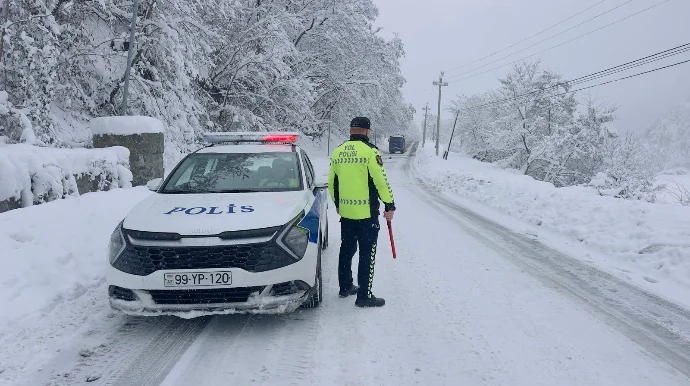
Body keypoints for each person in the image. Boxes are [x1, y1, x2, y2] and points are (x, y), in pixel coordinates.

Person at [328, 117, 396, 308]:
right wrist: (389, 205)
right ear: (367, 131)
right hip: (367, 215)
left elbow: (332, 183)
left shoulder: (338, 151)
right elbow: (381, 181)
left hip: (347, 213)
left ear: (351, 130)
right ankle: (364, 296)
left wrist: (338, 204)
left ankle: (346, 286)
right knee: (367, 254)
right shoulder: (370, 152)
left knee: (346, 249)